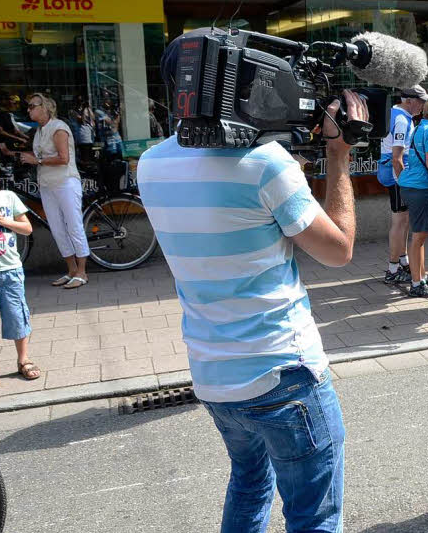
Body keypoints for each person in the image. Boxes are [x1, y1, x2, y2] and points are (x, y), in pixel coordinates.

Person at [138, 33, 368, 532]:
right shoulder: (266, 164)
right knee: (313, 516)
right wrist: (339, 156)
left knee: (248, 482)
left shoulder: (150, 164)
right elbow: (339, 250)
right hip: (282, 372)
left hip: (214, 374)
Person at [8, 94, 90, 289]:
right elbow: (38, 156)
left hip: (65, 182)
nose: (28, 110)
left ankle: (82, 271)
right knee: (57, 228)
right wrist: (11, 153)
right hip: (47, 184)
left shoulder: (59, 128)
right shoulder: (40, 131)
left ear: (45, 108)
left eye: (31, 106)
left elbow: (64, 158)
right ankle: (71, 269)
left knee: (73, 226)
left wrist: (37, 161)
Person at [0, 156, 39, 390]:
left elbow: (27, 229)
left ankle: (23, 359)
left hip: (11, 270)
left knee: (17, 314)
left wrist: (6, 221)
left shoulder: (9, 197)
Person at [377, 85, 428, 285]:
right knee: (399, 222)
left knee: (404, 221)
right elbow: (397, 158)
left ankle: (403, 263)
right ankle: (392, 269)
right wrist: (405, 182)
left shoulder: (399, 116)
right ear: (409, 100)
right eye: (420, 101)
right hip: (398, 176)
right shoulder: (400, 119)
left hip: (399, 175)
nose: (423, 105)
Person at [397, 94, 428, 298]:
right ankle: (417, 283)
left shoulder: (421, 126)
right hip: (420, 188)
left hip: (412, 185)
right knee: (419, 237)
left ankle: (422, 277)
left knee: (421, 235)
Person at [0, 93, 29, 158]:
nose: (16, 106)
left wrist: (27, 137)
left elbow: (16, 131)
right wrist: (18, 138)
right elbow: (1, 132)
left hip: (11, 140)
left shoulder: (7, 114)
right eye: (14, 103)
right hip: (3, 143)